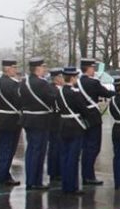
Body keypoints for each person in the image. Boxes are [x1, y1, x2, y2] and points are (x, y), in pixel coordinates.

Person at [19, 57, 57, 191]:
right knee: (38, 152)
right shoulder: (42, 83)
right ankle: (36, 181)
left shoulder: (24, 82)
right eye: (43, 67)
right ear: (37, 68)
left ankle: (31, 180)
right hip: (40, 120)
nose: (45, 69)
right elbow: (52, 98)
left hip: (28, 119)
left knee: (31, 151)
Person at [78, 58, 113, 186]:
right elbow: (107, 93)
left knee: (86, 147)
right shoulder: (93, 83)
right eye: (93, 67)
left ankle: (85, 174)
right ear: (88, 68)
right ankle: (89, 175)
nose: (94, 70)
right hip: (93, 116)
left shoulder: (78, 82)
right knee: (93, 147)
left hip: (82, 117)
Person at [56, 66, 89, 195]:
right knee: (73, 157)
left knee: (64, 156)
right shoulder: (75, 93)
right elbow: (83, 109)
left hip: (63, 124)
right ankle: (72, 186)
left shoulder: (59, 92)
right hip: (75, 126)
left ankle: (65, 185)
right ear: (73, 78)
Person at [0, 59, 22, 186]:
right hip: (12, 119)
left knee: (3, 148)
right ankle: (4, 176)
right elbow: (19, 100)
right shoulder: (13, 84)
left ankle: (4, 174)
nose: (16, 70)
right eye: (14, 67)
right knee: (8, 149)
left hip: (2, 117)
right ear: (7, 68)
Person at [46, 67, 65, 184]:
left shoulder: (59, 89)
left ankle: (58, 170)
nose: (63, 79)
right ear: (56, 79)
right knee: (55, 148)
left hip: (60, 122)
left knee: (59, 147)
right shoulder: (53, 90)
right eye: (61, 77)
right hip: (55, 122)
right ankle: (54, 172)